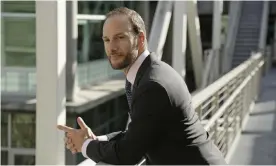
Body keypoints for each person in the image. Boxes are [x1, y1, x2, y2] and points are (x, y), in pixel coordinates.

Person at [57, 7, 227, 165]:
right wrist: (96, 140)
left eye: (120, 37)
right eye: (107, 40)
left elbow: (128, 155)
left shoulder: (152, 85)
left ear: (140, 39)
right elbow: (140, 132)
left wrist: (85, 145)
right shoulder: (147, 73)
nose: (111, 47)